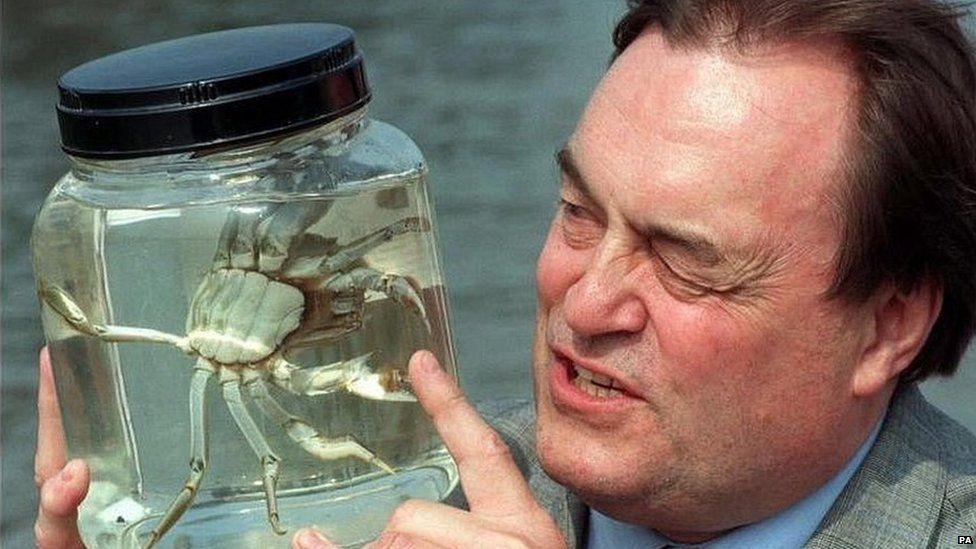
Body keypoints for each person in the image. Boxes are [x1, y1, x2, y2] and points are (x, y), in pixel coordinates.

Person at [35, 0, 976, 547]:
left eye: (685, 264)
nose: (586, 297)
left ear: (889, 326)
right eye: (578, 213)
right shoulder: (390, 497)